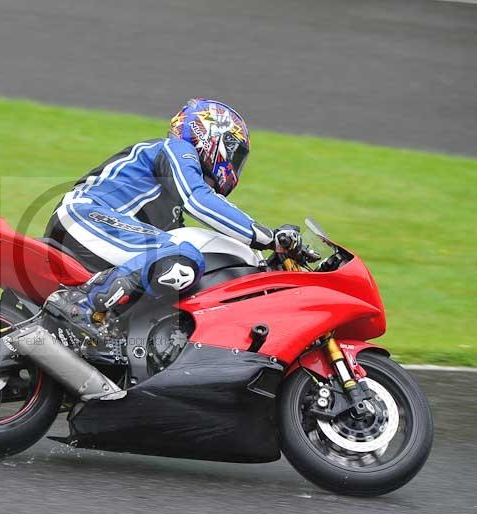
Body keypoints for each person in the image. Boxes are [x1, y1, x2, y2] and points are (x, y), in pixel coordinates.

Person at [43, 98, 293, 338]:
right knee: (183, 257)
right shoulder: (175, 149)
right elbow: (198, 200)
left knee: (175, 269)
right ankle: (83, 308)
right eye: (235, 154)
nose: (234, 165)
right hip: (86, 216)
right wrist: (268, 238)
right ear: (211, 135)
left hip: (93, 227)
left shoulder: (169, 207)